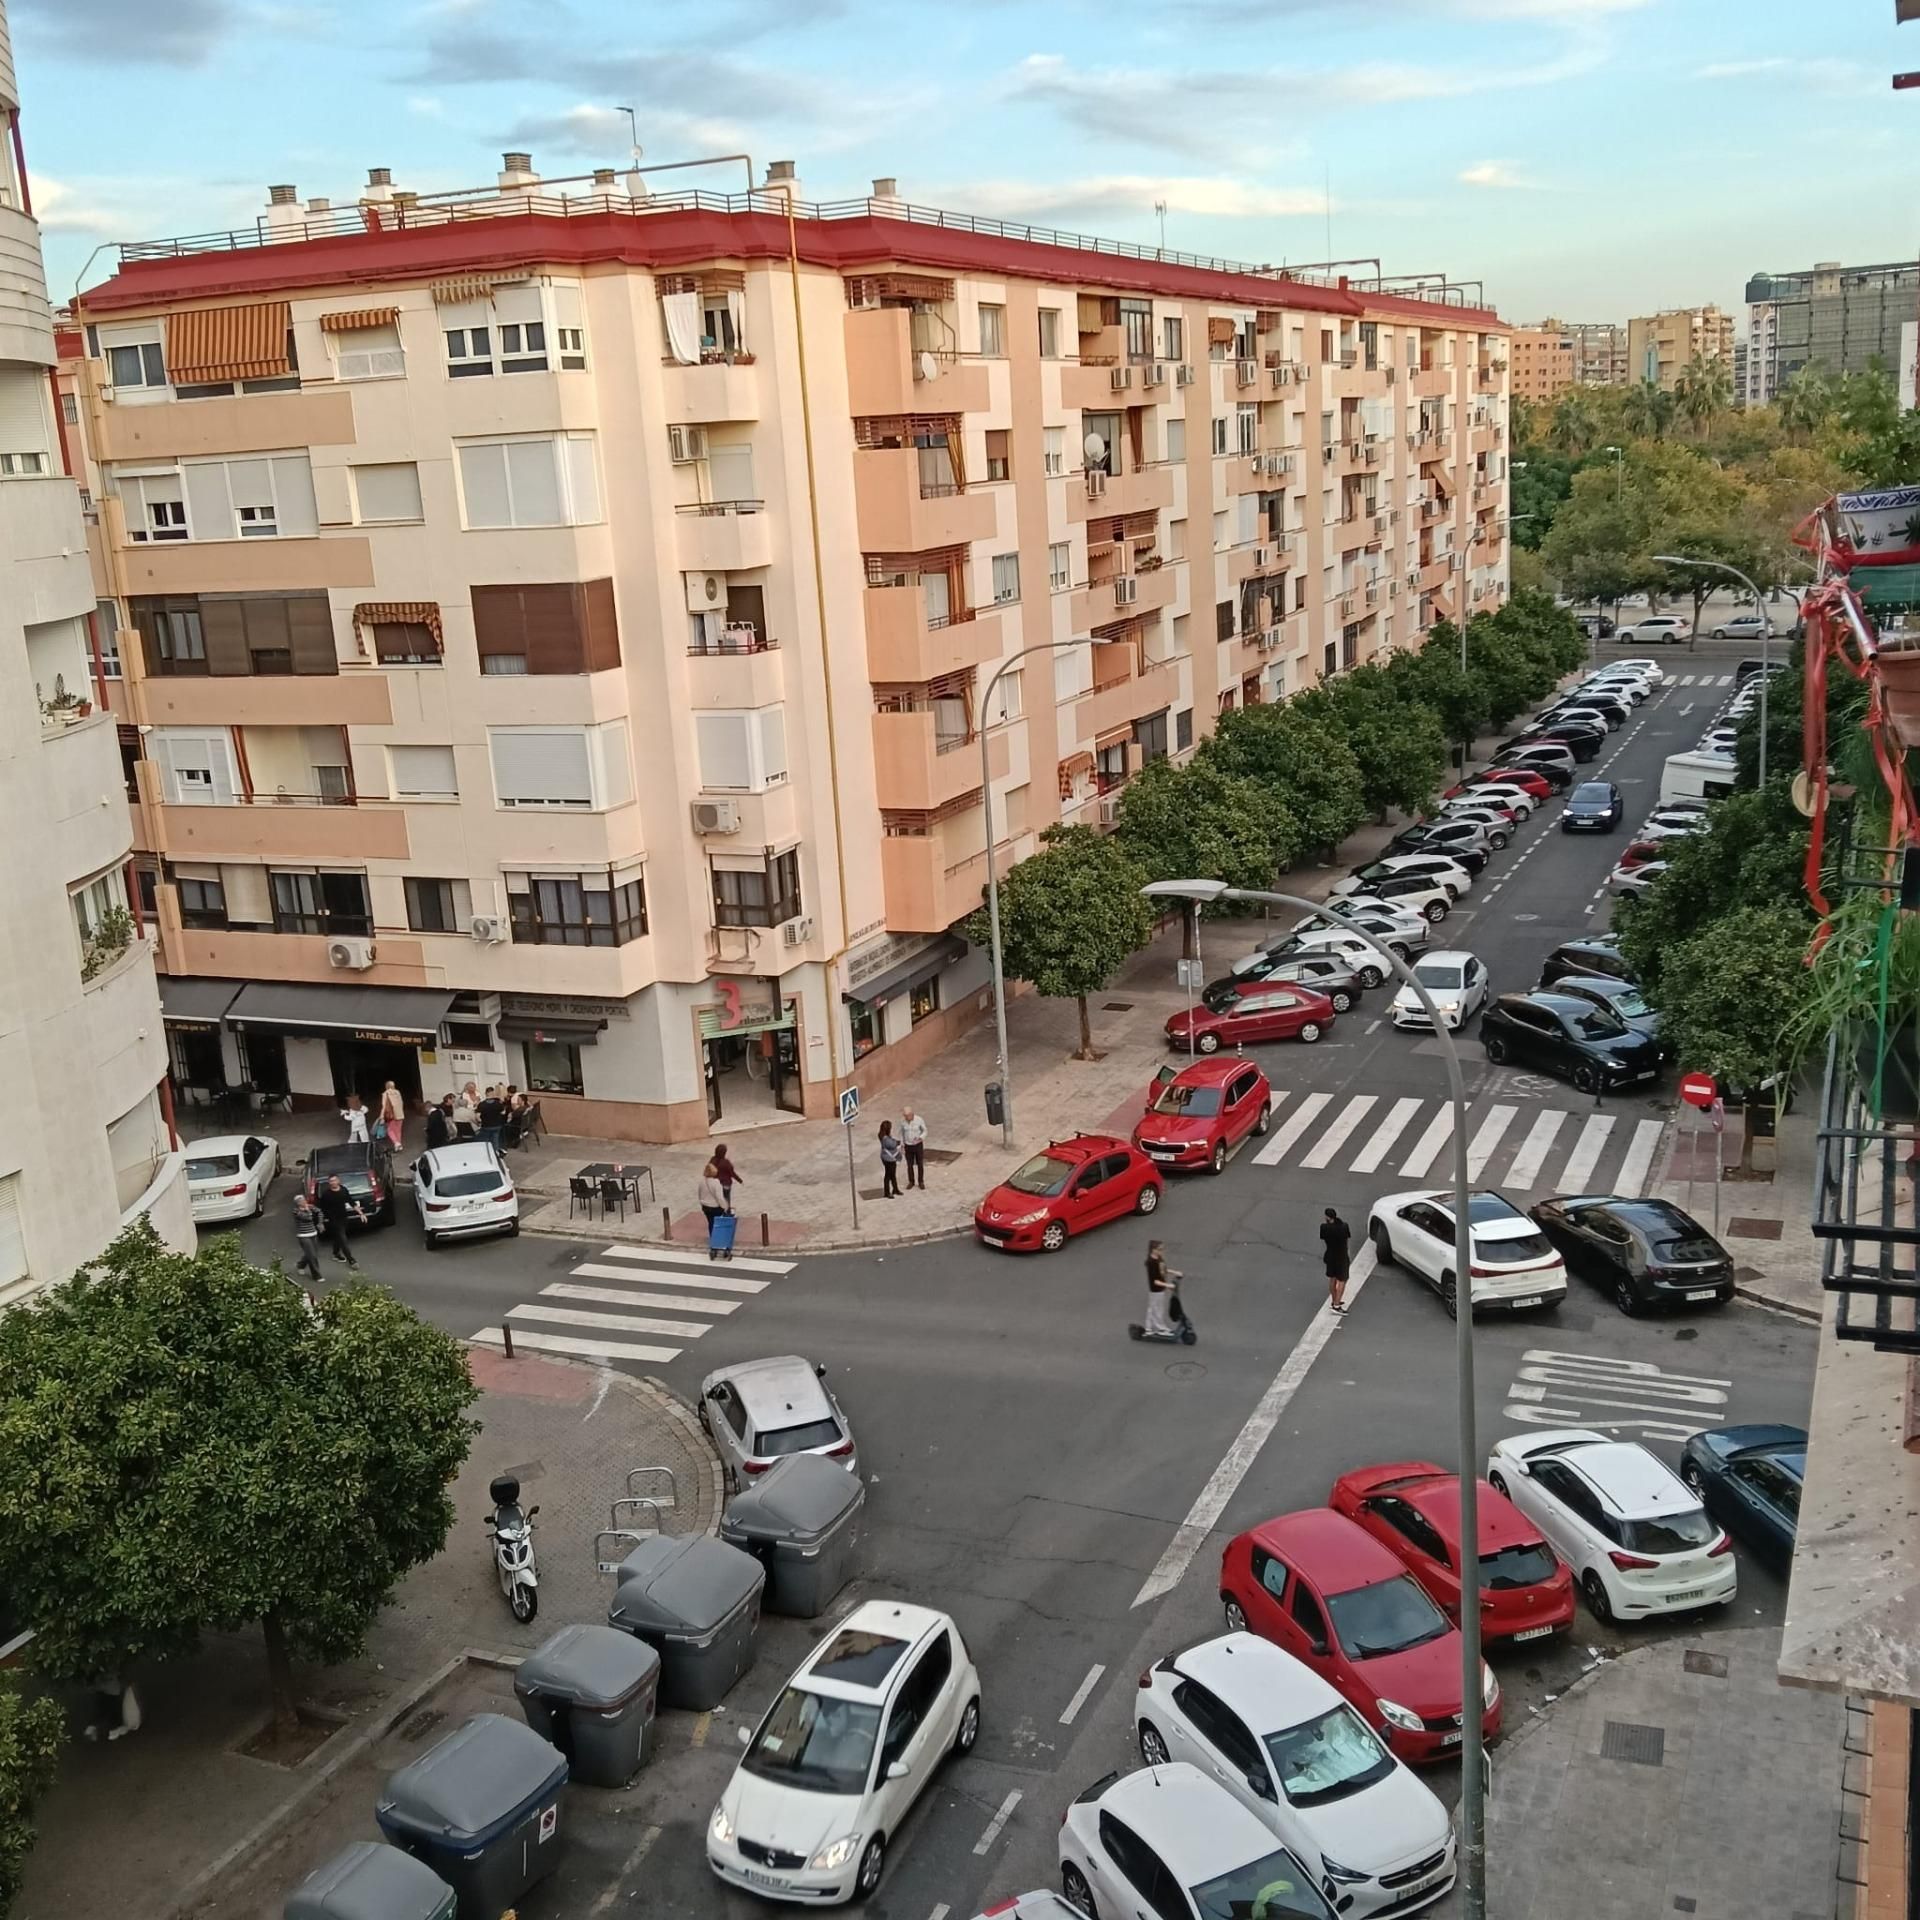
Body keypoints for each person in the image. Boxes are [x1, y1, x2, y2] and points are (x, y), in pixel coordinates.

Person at [317, 1174, 364, 1267]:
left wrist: (361, 1213)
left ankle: (335, 1253)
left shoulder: (343, 1190)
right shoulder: (326, 1194)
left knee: (338, 1237)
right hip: (333, 1220)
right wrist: (321, 1223)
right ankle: (351, 1260)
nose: (333, 1183)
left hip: (343, 1218)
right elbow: (321, 1209)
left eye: (334, 1180)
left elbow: (351, 1202)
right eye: (331, 1181)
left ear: (338, 1181)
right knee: (343, 1239)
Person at [1319, 1207, 1353, 1314]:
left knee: (1332, 1279)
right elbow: (1347, 1240)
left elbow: (1324, 1238)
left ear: (1327, 1217)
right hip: (1342, 1256)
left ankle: (1334, 1301)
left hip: (1330, 1256)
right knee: (1342, 1279)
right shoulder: (1344, 1226)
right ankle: (1337, 1304)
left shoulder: (1324, 1227)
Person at [1144, 1240, 1180, 1338]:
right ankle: (1160, 1328)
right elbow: (1155, 1281)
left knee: (1153, 1308)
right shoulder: (1151, 1263)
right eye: (1160, 1249)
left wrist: (1175, 1272)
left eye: (1162, 1249)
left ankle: (1149, 1328)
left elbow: (1164, 1270)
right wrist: (1168, 1285)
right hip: (1156, 1289)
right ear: (1153, 1250)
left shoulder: (1159, 1258)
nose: (1162, 1251)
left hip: (1160, 1289)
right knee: (1157, 1309)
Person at [291, 1189, 324, 1283]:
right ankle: (317, 1275)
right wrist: (308, 1210)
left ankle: (300, 1265)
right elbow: (308, 1218)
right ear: (298, 1203)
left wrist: (320, 1223)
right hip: (304, 1236)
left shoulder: (310, 1207)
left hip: (313, 1233)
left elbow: (319, 1212)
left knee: (311, 1254)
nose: (304, 1202)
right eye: (301, 1201)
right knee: (312, 1256)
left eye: (304, 1200)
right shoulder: (296, 1211)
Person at [899, 1107, 928, 1190]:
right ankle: (911, 1181)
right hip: (908, 1145)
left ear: (912, 1114)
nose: (906, 1117)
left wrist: (920, 1138)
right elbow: (901, 1133)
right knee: (909, 1164)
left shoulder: (919, 1120)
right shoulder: (903, 1122)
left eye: (908, 1115)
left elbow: (925, 1131)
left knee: (920, 1163)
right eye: (905, 1116)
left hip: (917, 1145)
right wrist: (902, 1144)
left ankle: (921, 1181)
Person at [697, 1161, 727, 1235]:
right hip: (715, 1207)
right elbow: (719, 1197)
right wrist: (724, 1207)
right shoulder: (716, 1183)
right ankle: (717, 1239)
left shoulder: (702, 1182)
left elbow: (700, 1194)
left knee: (710, 1222)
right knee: (717, 1223)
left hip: (705, 1207)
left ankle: (712, 1237)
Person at [712, 1143, 742, 1209]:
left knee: (718, 1199)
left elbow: (709, 1171)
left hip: (715, 1184)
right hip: (726, 1184)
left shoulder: (712, 1160)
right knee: (726, 1198)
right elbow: (732, 1173)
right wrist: (740, 1180)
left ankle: (719, 1211)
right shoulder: (726, 1162)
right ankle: (727, 1211)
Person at [878, 1120, 903, 1197]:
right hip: (889, 1159)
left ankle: (895, 1189)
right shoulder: (886, 1139)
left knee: (892, 1174)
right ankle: (887, 1192)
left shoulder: (881, 1135)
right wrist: (898, 1142)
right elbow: (892, 1145)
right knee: (889, 1175)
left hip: (885, 1157)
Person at [378, 1080, 405, 1151]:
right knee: (398, 1131)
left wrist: (381, 1117)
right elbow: (401, 1103)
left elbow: (384, 1106)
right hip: (400, 1114)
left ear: (386, 1086)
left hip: (391, 1115)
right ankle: (399, 1146)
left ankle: (396, 1143)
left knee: (390, 1130)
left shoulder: (385, 1094)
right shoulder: (398, 1092)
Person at [478, 1086, 505, 1152]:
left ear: (486, 1093)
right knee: (495, 1139)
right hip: (497, 1125)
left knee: (486, 1140)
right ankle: (496, 1152)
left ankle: (487, 1152)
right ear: (493, 1093)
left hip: (486, 1126)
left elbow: (478, 1117)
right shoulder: (498, 1103)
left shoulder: (481, 1104)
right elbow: (503, 1113)